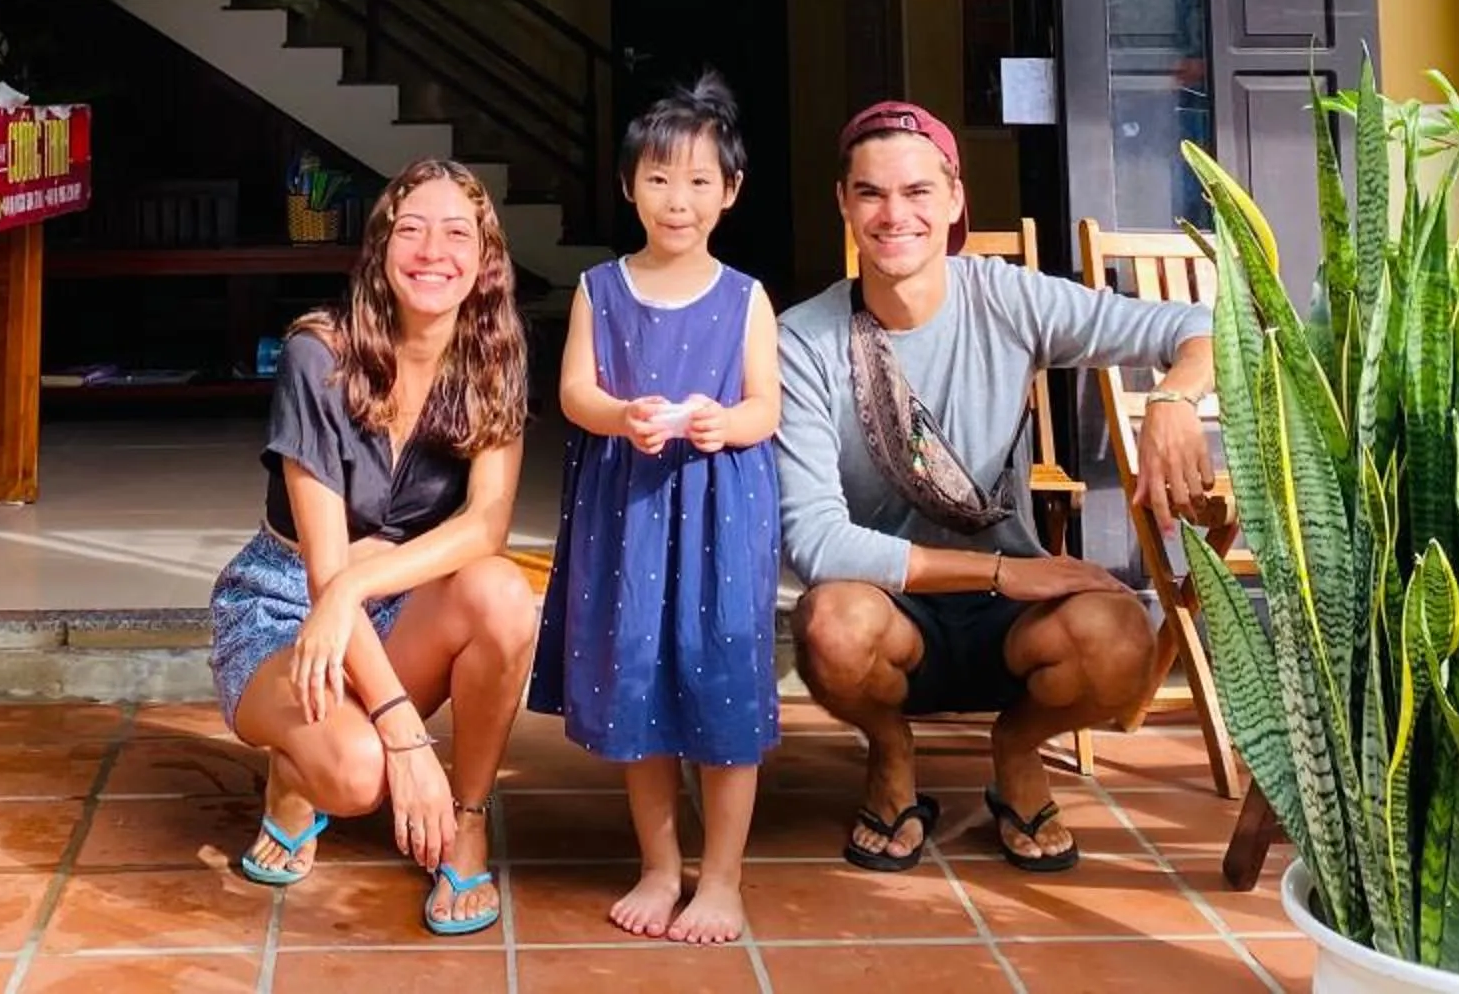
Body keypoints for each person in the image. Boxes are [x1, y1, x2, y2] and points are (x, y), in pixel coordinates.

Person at [776, 100, 1219, 876]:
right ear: (843, 203)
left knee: (1121, 640)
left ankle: (1017, 747)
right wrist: (1005, 571)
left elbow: (1201, 325)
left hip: (1012, 626)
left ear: (954, 199)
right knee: (830, 627)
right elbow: (816, 542)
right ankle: (889, 748)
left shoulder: (1006, 298)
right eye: (872, 193)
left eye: (918, 191)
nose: (895, 215)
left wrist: (1173, 400)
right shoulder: (801, 340)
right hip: (890, 611)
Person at [208, 158, 537, 937]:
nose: (433, 252)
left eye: (456, 234)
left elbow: (486, 525)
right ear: (382, 248)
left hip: (392, 597)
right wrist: (409, 742)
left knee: (500, 591)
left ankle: (468, 823)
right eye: (412, 230)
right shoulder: (317, 356)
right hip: (288, 602)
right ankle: (296, 776)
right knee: (358, 776)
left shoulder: (494, 353)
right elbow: (326, 570)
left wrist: (363, 581)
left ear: (485, 257)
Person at [529, 74, 783, 944]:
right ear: (628, 185)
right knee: (635, 679)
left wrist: (723, 424)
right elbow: (574, 392)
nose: (679, 200)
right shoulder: (599, 289)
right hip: (629, 512)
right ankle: (660, 865)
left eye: (700, 180)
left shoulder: (746, 296)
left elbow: (766, 408)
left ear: (730, 191)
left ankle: (723, 878)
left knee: (723, 683)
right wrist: (619, 415)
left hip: (720, 514)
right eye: (660, 179)